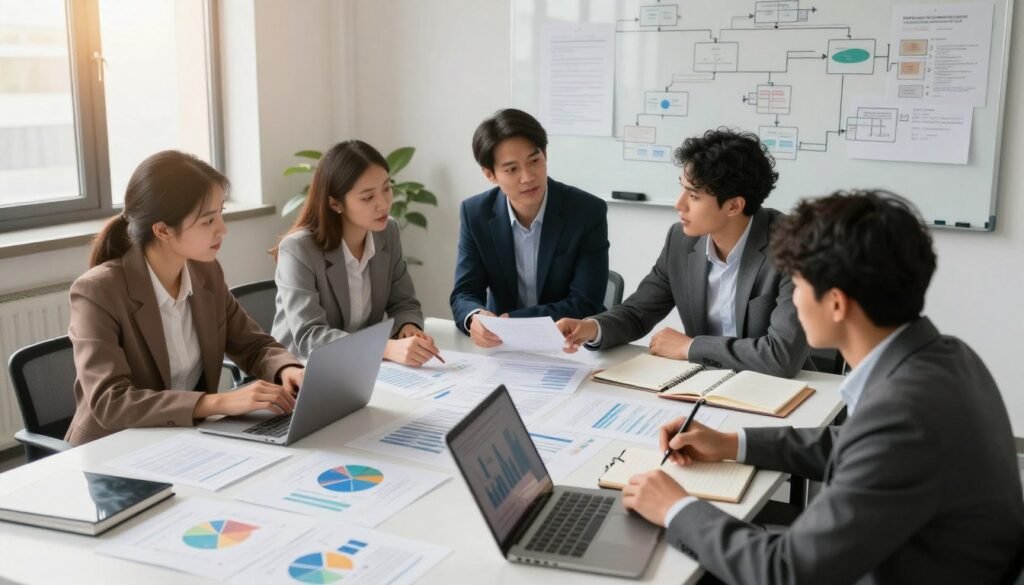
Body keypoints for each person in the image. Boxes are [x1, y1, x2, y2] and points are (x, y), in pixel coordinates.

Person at [622, 191, 1024, 584]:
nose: (793, 299)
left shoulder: (903, 418)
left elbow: (787, 571)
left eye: (797, 284)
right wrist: (732, 443)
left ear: (836, 304)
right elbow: (852, 442)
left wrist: (677, 508)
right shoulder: (945, 356)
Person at [66, 151, 304, 445]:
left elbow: (253, 344)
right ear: (163, 230)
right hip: (114, 449)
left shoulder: (206, 273)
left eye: (221, 214)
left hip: (184, 439)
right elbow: (110, 402)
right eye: (207, 221)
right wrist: (218, 402)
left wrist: (287, 368)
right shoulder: (98, 291)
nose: (223, 229)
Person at [557, 128, 810, 377]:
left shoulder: (794, 247)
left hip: (777, 389)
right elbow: (637, 313)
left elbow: (781, 356)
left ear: (734, 205)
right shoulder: (681, 241)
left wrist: (689, 347)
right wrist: (591, 327)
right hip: (701, 380)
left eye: (694, 195)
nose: (679, 204)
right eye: (682, 189)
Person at [450, 108, 609, 348]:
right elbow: (464, 293)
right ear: (489, 174)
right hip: (503, 347)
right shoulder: (476, 214)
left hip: (570, 345)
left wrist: (513, 321)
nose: (528, 177)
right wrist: (475, 317)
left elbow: (586, 302)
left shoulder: (586, 211)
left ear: (545, 154)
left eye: (534, 161)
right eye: (512, 169)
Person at [271, 140, 439, 366]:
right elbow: (310, 335)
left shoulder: (387, 232)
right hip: (302, 371)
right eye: (368, 197)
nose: (383, 204)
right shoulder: (298, 249)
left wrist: (408, 329)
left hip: (362, 367)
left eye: (386, 188)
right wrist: (385, 348)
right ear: (335, 203)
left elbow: (404, 303)